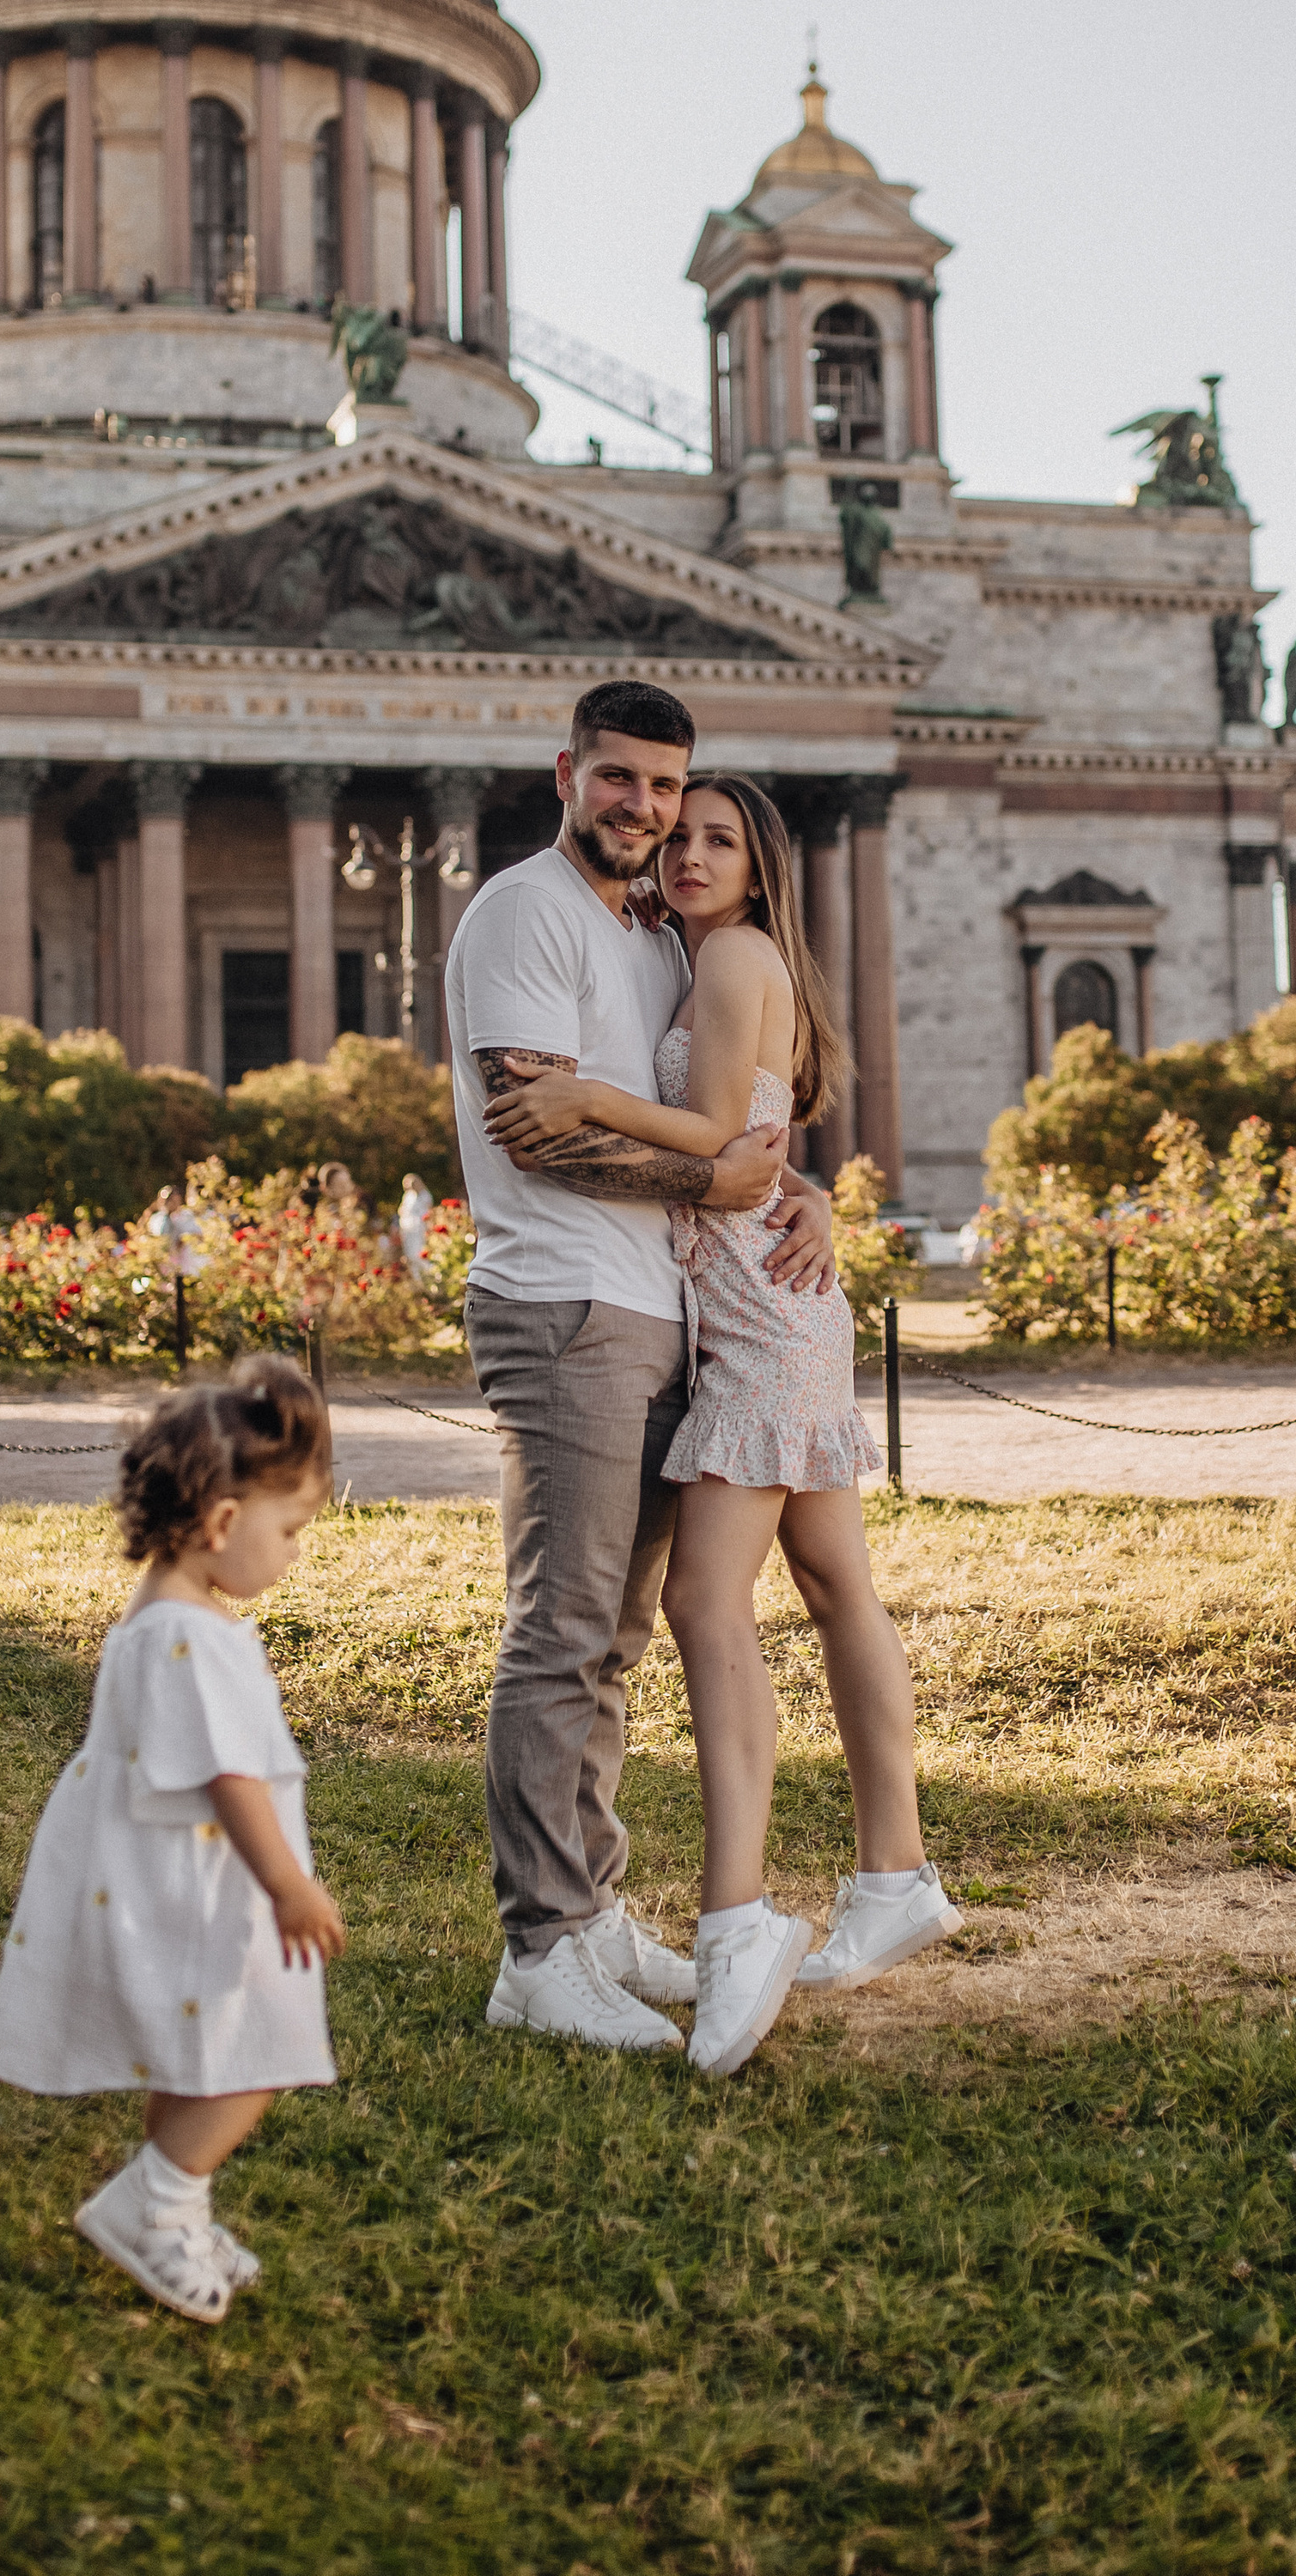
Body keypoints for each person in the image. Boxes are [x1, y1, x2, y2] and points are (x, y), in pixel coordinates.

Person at [488, 775, 959, 2075]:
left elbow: (705, 1134)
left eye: (716, 840)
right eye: (678, 835)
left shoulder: (735, 955)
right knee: (834, 1585)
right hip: (767, 1305)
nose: (686, 853)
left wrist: (580, 1097)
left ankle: (739, 1912)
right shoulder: (714, 961)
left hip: (760, 1325)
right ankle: (894, 1876)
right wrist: (806, 1190)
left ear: (760, 871)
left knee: (705, 1606)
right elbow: (750, 1143)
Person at [444, 677, 838, 2055]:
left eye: (667, 789)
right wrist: (720, 1181)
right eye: (618, 780)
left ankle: (594, 1914)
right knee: (560, 1632)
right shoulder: (522, 912)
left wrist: (798, 1192)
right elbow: (530, 1126)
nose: (646, 810)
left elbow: (732, 1121)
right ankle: (538, 1951)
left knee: (611, 1635)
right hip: (562, 1306)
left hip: (665, 1313)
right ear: (567, 772)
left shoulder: (664, 941)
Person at [0, 1356, 344, 2324]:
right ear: (224, 1523)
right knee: (256, 2055)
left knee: (197, 2057)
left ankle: (174, 2206)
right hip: (206, 1888)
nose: (296, 1553)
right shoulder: (192, 1637)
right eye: (291, 1530)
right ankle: (154, 2203)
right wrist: (287, 1886)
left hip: (162, 1876)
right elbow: (230, 1777)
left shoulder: (162, 1618)